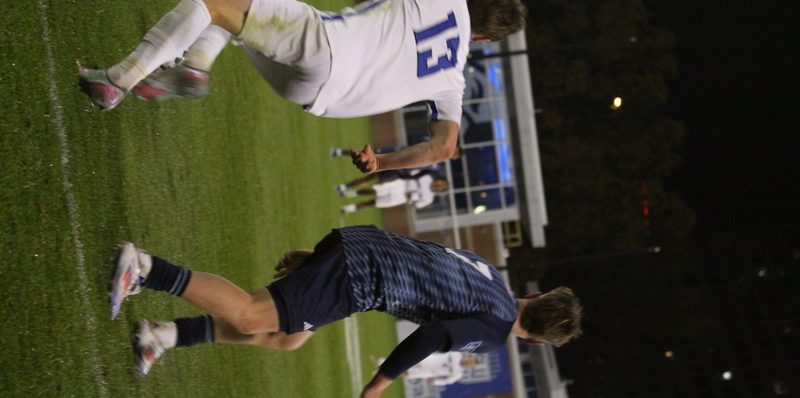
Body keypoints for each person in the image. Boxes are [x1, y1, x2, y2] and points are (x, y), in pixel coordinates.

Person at [78, 0, 526, 173]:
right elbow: (444, 147)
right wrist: (381, 162)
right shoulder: (452, 80)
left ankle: (120, 80)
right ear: (483, 40)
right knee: (234, 21)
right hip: (315, 97)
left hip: (327, 45)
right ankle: (193, 65)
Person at [109, 225, 582, 397]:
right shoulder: (497, 331)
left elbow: (425, 253)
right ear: (537, 340)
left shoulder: (491, 276)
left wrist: (322, 260)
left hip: (368, 246)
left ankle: (162, 335)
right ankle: (145, 270)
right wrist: (378, 386)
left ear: (535, 298)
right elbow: (431, 339)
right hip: (362, 277)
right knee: (253, 315)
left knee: (288, 337)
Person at [338, 173, 449, 214]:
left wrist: (410, 199)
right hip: (400, 185)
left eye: (442, 188)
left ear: (440, 191)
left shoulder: (429, 198)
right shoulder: (427, 177)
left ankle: (348, 208)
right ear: (439, 180)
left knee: (373, 202)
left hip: (401, 197)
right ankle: (353, 193)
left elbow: (416, 205)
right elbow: (411, 173)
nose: (439, 185)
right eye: (441, 183)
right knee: (374, 190)